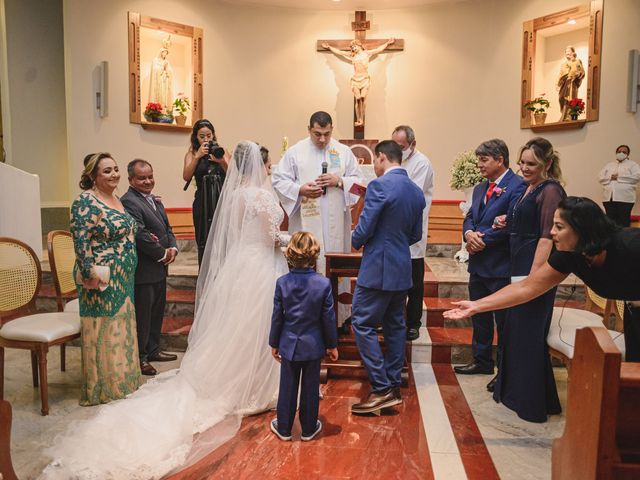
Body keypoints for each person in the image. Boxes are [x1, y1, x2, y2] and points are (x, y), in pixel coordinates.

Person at [42, 141, 291, 479]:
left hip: (243, 265)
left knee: (242, 325)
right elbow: (269, 236)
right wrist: (292, 241)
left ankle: (237, 375)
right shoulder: (259, 195)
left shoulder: (235, 194)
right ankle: (257, 383)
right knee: (257, 323)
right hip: (261, 263)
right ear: (258, 165)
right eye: (268, 163)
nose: (271, 167)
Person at [444, 196, 640, 360]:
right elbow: (527, 287)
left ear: (582, 229)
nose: (551, 232)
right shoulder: (570, 254)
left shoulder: (630, 245)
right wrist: (477, 306)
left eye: (558, 226)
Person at [481, 137, 566, 423]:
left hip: (532, 270)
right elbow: (525, 221)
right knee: (516, 333)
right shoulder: (529, 188)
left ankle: (530, 403)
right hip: (517, 265)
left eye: (532, 164)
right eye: (522, 163)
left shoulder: (551, 189)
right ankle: (522, 395)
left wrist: (533, 279)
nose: (525, 168)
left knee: (528, 335)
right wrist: (508, 219)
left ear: (548, 164)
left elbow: (546, 235)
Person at [350, 141, 425, 414]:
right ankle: (393, 385)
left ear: (381, 157)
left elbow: (364, 228)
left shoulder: (380, 186)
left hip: (378, 267)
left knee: (361, 322)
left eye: (375, 161)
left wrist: (354, 238)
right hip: (402, 266)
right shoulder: (416, 192)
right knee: (395, 327)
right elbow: (415, 235)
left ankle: (380, 388)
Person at [272, 111, 362, 324]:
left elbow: (359, 182)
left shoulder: (343, 151)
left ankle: (337, 321)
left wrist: (339, 181)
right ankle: (305, 320)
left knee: (334, 265)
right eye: (317, 134)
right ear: (309, 130)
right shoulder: (296, 152)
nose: (322, 139)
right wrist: (300, 189)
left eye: (327, 134)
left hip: (336, 228)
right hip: (306, 224)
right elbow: (278, 180)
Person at [453, 139, 526, 395]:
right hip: (479, 264)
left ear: (500, 160)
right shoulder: (480, 187)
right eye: (479, 159)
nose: (479, 165)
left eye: (484, 160)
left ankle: (503, 371)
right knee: (479, 315)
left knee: (503, 322)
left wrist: (481, 240)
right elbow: (470, 216)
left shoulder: (517, 186)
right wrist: (468, 233)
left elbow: (513, 223)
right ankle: (482, 361)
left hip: (501, 264)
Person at [70, 152, 140, 406]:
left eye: (116, 169)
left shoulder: (115, 199)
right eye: (107, 171)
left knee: (122, 329)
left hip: (124, 278)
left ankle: (123, 381)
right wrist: (90, 275)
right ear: (92, 176)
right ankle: (103, 387)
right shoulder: (85, 203)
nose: (114, 175)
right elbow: (81, 242)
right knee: (104, 330)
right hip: (101, 279)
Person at [269, 232, 339, 442]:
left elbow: (277, 317)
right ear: (314, 255)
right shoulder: (323, 284)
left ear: (291, 254)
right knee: (310, 386)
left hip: (289, 344)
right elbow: (328, 318)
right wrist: (332, 345)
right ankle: (309, 428)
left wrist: (274, 343)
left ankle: (284, 428)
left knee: (287, 386)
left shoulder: (282, 283)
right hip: (314, 345)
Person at [121, 159, 179, 377]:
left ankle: (153, 349)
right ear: (131, 180)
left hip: (159, 268)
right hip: (144, 270)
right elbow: (140, 234)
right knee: (143, 316)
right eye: (142, 178)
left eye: (150, 176)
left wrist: (173, 247)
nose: (148, 181)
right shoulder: (129, 201)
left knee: (156, 311)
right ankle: (142, 356)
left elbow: (167, 228)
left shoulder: (155, 200)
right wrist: (162, 253)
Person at [392, 125, 434, 341]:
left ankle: (413, 323)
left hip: (413, 229)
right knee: (394, 278)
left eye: (401, 147)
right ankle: (393, 319)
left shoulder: (421, 163)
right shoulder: (394, 160)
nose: (398, 151)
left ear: (413, 144)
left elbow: (410, 193)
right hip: (394, 230)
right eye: (395, 146)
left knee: (414, 281)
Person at [183, 119, 229, 266]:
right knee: (203, 237)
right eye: (202, 136)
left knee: (221, 237)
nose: (206, 139)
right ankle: (204, 274)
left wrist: (221, 161)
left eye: (208, 135)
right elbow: (186, 176)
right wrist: (197, 157)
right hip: (202, 200)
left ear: (213, 135)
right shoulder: (191, 154)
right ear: (196, 137)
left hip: (220, 198)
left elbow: (233, 175)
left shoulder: (223, 151)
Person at [321, 39, 395, 126]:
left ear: (359, 45)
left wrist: (387, 43)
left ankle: (361, 120)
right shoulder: (353, 56)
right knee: (358, 99)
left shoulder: (367, 54)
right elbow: (340, 52)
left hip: (365, 79)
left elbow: (378, 49)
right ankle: (358, 119)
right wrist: (329, 47)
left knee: (363, 98)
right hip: (355, 80)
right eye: (352, 47)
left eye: (354, 46)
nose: (353, 48)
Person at [599, 144, 640, 227]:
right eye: (619, 151)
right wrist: (610, 177)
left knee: (623, 221)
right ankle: (612, 239)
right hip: (609, 198)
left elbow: (636, 177)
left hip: (625, 199)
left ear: (628, 154)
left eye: (624, 152)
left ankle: (624, 239)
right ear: (616, 153)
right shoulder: (609, 165)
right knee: (610, 221)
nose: (621, 153)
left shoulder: (633, 165)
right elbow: (600, 177)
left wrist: (619, 177)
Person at [557, 46, 585, 121]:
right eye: (566, 52)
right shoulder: (563, 64)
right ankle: (563, 115)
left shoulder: (577, 61)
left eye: (569, 51)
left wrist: (576, 75)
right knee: (561, 98)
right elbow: (560, 74)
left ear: (573, 52)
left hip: (572, 84)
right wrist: (557, 84)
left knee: (570, 99)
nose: (567, 53)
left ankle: (569, 116)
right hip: (564, 83)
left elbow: (581, 71)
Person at [148, 36, 174, 113]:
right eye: (164, 52)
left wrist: (167, 70)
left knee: (165, 98)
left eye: (166, 53)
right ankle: (157, 111)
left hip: (165, 83)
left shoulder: (167, 62)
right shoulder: (155, 60)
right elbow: (155, 70)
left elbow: (170, 72)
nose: (165, 55)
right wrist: (162, 67)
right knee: (159, 97)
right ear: (161, 52)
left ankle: (165, 111)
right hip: (158, 84)